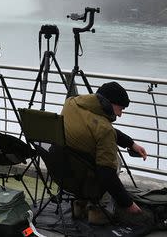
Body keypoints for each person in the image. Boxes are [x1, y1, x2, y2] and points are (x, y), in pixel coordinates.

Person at [63, 81, 150, 225]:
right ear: (109, 103)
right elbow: (107, 174)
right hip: (86, 177)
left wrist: (131, 144)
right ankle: (96, 210)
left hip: (64, 171)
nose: (120, 115)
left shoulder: (71, 103)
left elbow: (95, 126)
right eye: (121, 109)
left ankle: (80, 204)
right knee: (114, 161)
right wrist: (128, 204)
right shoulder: (105, 130)